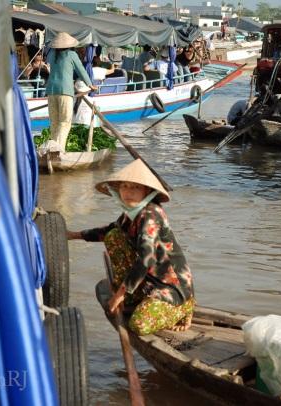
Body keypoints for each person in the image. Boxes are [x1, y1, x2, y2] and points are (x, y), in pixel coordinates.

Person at [67, 159, 195, 335]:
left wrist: (118, 295)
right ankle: (133, 297)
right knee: (114, 236)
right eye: (125, 186)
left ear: (147, 191)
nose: (128, 192)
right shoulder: (131, 214)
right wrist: (74, 235)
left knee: (138, 325)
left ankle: (183, 307)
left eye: (135, 187)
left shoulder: (150, 214)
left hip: (171, 286)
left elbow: (146, 259)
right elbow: (109, 231)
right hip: (150, 281)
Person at [45, 32, 97, 152]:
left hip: (51, 90)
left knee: (54, 122)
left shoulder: (52, 55)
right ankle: (59, 150)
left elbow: (48, 61)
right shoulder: (71, 54)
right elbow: (81, 71)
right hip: (65, 91)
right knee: (64, 122)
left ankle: (52, 149)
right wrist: (90, 84)